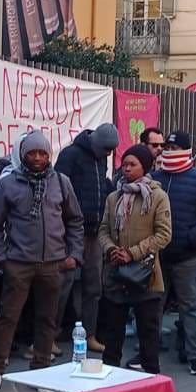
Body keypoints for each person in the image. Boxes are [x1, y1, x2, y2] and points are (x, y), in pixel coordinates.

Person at [0, 130, 83, 392]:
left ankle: (41, 369)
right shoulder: (7, 184)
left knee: (47, 319)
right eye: (32, 153)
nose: (37, 158)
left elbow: (74, 221)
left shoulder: (61, 182)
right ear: (22, 154)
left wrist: (74, 254)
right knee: (7, 317)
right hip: (18, 263)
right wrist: (2, 257)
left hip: (53, 264)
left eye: (43, 153)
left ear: (49, 155)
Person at [96, 144, 173, 373]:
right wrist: (112, 250)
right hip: (116, 274)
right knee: (113, 336)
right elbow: (103, 230)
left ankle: (151, 383)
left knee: (148, 334)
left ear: (145, 167)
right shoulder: (113, 197)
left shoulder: (158, 196)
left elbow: (163, 235)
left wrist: (133, 253)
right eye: (125, 164)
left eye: (133, 165)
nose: (127, 169)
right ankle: (110, 382)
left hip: (145, 275)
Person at [154, 130, 196, 377]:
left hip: (188, 256)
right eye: (167, 149)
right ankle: (148, 352)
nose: (169, 152)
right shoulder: (154, 178)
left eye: (174, 149)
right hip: (158, 256)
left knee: (191, 307)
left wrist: (192, 238)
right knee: (153, 305)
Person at [55, 122, 121, 352]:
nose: (109, 154)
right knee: (63, 285)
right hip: (71, 231)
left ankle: (89, 335)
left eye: (111, 150)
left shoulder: (100, 158)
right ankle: (48, 337)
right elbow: (58, 190)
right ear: (95, 144)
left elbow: (101, 185)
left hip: (95, 232)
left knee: (94, 286)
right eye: (106, 150)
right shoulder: (70, 155)